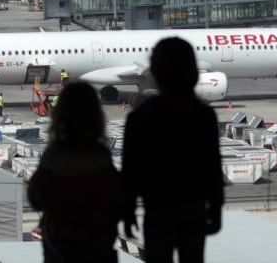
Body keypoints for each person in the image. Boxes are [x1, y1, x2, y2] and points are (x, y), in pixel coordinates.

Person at [121, 37, 224, 263]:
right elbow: (213, 168)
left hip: (157, 209)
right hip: (193, 208)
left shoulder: (140, 116)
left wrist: (128, 211)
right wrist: (215, 208)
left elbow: (130, 171)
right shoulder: (203, 115)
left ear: (156, 74)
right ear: (193, 74)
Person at [27, 81, 121, 263]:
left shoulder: (54, 155)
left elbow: (35, 197)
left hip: (60, 248)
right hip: (95, 247)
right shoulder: (100, 156)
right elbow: (115, 198)